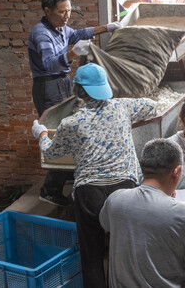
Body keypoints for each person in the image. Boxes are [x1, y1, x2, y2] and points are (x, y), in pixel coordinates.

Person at [31, 63, 157, 288]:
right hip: (126, 189)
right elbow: (151, 106)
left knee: (92, 258)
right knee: (128, 254)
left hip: (90, 193)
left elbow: (51, 153)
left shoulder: (71, 123)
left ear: (78, 91)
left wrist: (41, 134)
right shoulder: (121, 107)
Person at [28, 0, 122, 207]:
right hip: (48, 85)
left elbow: (78, 33)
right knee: (57, 130)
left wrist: (106, 28)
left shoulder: (59, 28)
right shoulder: (42, 34)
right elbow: (48, 63)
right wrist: (72, 55)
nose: (66, 15)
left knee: (68, 124)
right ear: (47, 11)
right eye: (62, 12)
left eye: (69, 11)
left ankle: (64, 173)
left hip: (62, 81)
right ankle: (50, 189)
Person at [99, 138, 185, 287]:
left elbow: (105, 224)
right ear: (176, 171)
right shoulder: (182, 213)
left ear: (141, 167)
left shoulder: (115, 199)